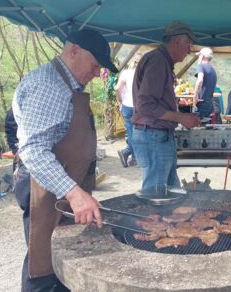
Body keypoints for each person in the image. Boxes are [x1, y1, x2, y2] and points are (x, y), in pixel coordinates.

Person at [13, 28, 118, 291]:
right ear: (73, 51)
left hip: (61, 184)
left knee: (65, 256)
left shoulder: (68, 84)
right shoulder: (49, 86)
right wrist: (73, 193)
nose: (97, 74)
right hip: (44, 185)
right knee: (43, 263)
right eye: (95, 65)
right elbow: (33, 149)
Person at [131, 21, 200, 191]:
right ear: (176, 41)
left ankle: (167, 218)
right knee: (156, 192)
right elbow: (146, 105)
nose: (189, 50)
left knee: (170, 191)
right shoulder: (158, 61)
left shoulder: (161, 60)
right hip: (153, 135)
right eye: (188, 44)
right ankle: (151, 219)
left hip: (156, 134)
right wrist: (181, 117)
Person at [116, 53, 143, 168]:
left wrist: (121, 101)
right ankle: (133, 156)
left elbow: (117, 88)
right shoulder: (143, 74)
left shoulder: (125, 73)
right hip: (139, 106)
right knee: (138, 133)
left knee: (131, 132)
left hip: (127, 105)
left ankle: (127, 152)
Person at [193, 47, 217, 119]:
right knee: (205, 128)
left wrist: (195, 96)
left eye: (199, 56)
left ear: (202, 56)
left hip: (202, 103)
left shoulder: (201, 66)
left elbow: (200, 80)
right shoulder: (212, 69)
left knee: (196, 128)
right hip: (210, 103)